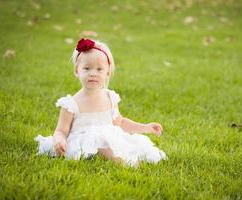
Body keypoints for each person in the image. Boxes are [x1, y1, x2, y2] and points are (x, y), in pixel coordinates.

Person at [34, 38, 167, 167]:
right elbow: (61, 130)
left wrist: (145, 127)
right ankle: (124, 162)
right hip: (84, 141)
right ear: (77, 71)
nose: (93, 73)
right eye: (87, 68)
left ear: (107, 72)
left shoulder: (110, 98)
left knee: (129, 144)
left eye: (99, 69)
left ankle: (132, 157)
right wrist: (60, 140)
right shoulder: (71, 104)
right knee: (99, 141)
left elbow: (120, 123)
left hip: (108, 139)